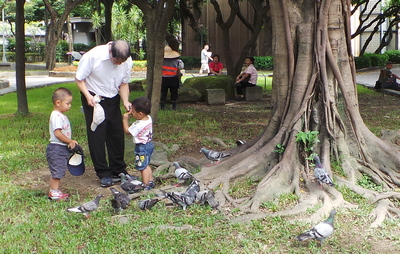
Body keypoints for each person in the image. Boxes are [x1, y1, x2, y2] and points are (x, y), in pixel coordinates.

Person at [75, 40, 133, 188]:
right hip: (94, 99)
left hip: (112, 98)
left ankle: (118, 170)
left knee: (116, 134)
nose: (119, 64)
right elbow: (79, 79)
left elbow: (124, 83)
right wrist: (88, 96)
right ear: (110, 52)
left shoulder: (126, 61)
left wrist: (125, 101)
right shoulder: (93, 56)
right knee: (97, 136)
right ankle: (103, 173)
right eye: (116, 61)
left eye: (122, 61)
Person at [46, 87, 78, 201]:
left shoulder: (60, 115)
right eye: (68, 103)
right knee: (57, 170)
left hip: (61, 147)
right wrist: (69, 141)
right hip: (56, 148)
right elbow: (58, 133)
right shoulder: (56, 116)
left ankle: (55, 190)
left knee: (60, 169)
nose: (70, 106)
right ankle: (54, 192)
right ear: (58, 102)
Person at [122, 97, 155, 190]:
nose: (131, 113)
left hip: (141, 147)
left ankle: (145, 185)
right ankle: (150, 181)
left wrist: (125, 119)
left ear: (140, 113)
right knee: (146, 164)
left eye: (133, 111)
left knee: (142, 167)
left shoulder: (138, 125)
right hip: (149, 145)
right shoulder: (148, 118)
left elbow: (127, 131)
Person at [161, 45, 183, 110]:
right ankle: (174, 106)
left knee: (163, 92)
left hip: (163, 78)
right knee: (174, 92)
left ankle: (162, 106)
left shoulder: (161, 61)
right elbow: (181, 67)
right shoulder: (177, 61)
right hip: (173, 78)